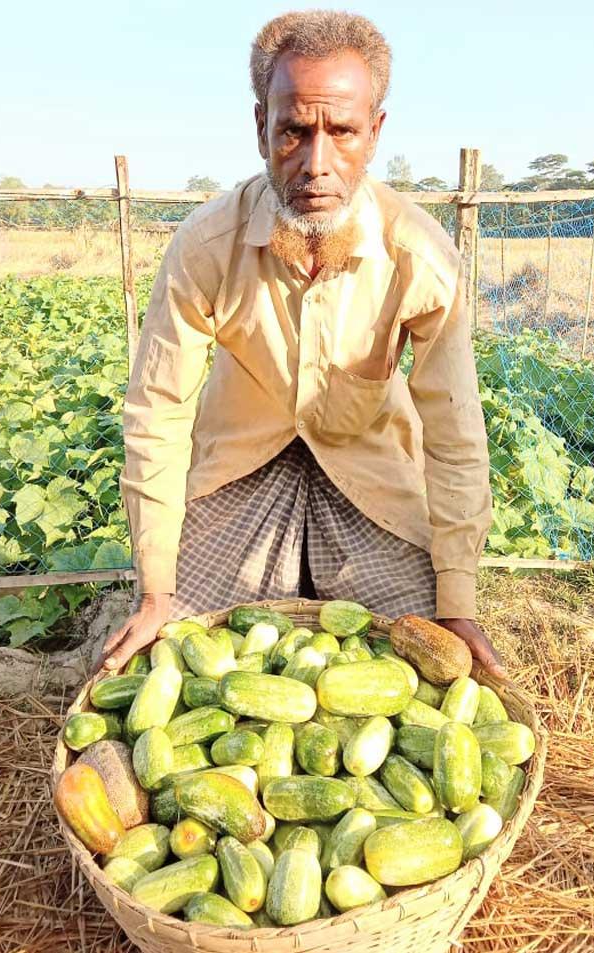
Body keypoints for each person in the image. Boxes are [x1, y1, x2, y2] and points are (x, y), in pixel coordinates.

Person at [96, 10, 504, 677]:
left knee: (426, 655)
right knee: (179, 653)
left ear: (374, 133)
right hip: (240, 472)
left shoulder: (420, 256)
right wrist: (156, 586)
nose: (317, 163)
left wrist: (457, 600)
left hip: (368, 475)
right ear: (261, 127)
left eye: (341, 132)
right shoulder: (206, 247)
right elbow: (157, 415)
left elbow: (454, 430)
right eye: (294, 131)